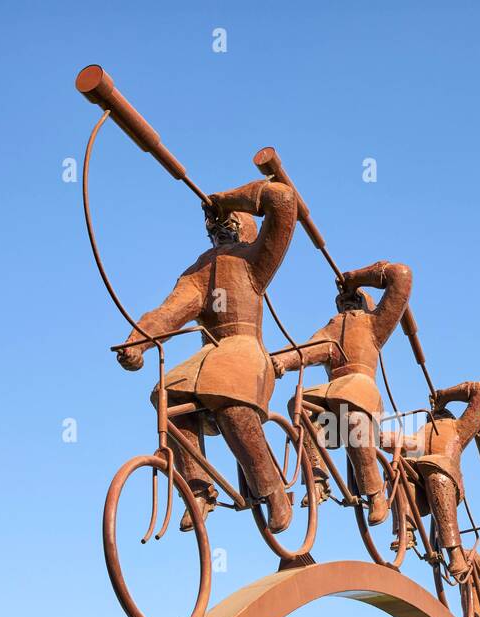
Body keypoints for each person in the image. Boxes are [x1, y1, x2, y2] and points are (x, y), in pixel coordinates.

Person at [115, 178, 298, 532]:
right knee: (167, 394)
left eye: (228, 223)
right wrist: (137, 340)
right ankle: (198, 488)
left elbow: (282, 198)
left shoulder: (255, 258)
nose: (219, 230)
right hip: (210, 354)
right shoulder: (199, 271)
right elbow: (168, 312)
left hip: (245, 351)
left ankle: (272, 489)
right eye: (215, 227)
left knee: (228, 394)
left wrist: (227, 199)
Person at [273, 261, 413, 525]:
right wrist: (280, 361)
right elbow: (306, 350)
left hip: (359, 388)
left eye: (355, 299)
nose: (347, 303)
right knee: (300, 405)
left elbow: (401, 277)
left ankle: (375, 494)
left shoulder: (375, 323)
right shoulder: (331, 327)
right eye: (343, 300)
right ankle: (316, 479)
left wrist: (355, 277)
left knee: (353, 421)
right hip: (330, 394)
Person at [387, 381, 480, 575]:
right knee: (400, 466)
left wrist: (445, 395)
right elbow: (387, 439)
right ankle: (405, 529)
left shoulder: (459, 429)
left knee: (436, 468)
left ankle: (455, 552)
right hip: (420, 486)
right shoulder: (419, 435)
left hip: (445, 480)